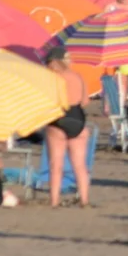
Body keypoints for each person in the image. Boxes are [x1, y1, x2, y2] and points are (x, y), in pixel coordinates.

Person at [43, 47, 90, 208]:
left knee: (56, 164)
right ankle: (84, 200)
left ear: (54, 62)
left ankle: (54, 201)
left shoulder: (51, 78)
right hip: (77, 118)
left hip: (58, 118)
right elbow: (85, 102)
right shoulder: (77, 76)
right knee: (80, 165)